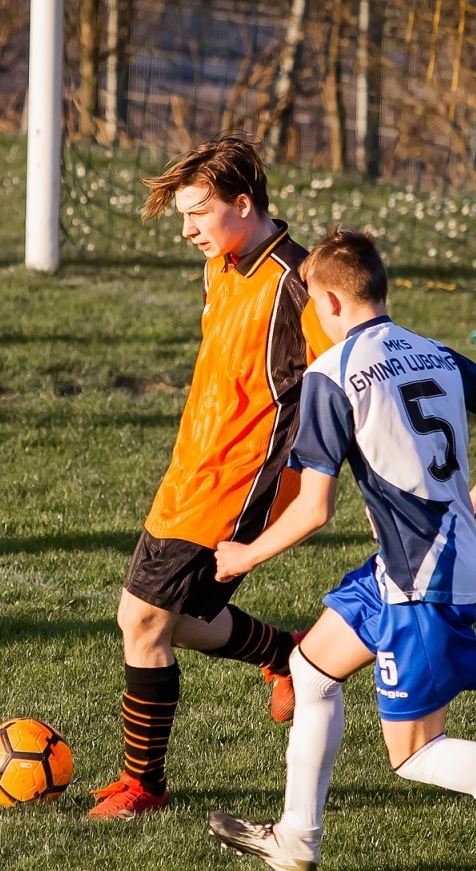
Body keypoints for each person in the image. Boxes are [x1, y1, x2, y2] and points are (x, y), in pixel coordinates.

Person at [204, 230, 476, 871]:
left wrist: (244, 556)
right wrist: (474, 499)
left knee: (414, 753)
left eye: (312, 304)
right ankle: (295, 840)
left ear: (328, 302)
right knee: (310, 668)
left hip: (420, 579)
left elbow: (314, 509)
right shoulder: (434, 353)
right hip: (406, 565)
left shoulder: (331, 375)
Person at [87, 136, 334, 820]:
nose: (188, 229)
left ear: (243, 204)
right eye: (183, 217)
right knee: (182, 620)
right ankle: (285, 653)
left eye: (198, 212)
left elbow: (348, 371)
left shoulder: (297, 282)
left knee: (142, 620)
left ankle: (144, 786)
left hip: (241, 482)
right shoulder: (221, 266)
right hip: (191, 470)